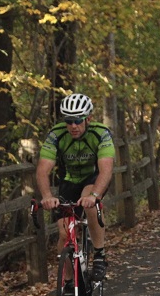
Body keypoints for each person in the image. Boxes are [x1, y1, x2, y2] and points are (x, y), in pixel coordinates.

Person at [35, 93, 114, 282]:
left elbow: (106, 169)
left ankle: (100, 255)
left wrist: (95, 195)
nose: (73, 126)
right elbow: (42, 170)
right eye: (68, 121)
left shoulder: (101, 133)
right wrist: (46, 196)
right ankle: (69, 284)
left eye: (78, 120)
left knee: (89, 203)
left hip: (93, 179)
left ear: (88, 118)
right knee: (64, 235)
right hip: (68, 182)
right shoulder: (56, 135)